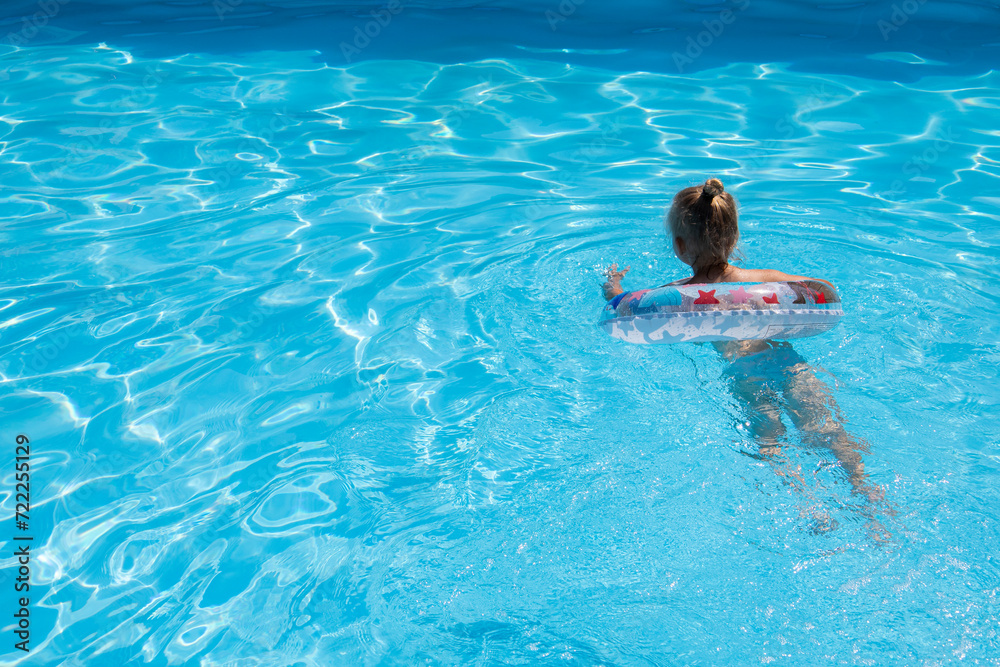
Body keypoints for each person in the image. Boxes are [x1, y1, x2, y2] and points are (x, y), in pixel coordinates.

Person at [602, 178, 891, 532]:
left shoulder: (679, 295)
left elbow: (625, 305)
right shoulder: (764, 279)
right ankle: (868, 494)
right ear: (734, 237)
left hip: (744, 373)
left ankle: (809, 503)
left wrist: (613, 286)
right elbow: (818, 290)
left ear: (679, 246)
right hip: (790, 363)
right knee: (827, 428)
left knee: (768, 437)